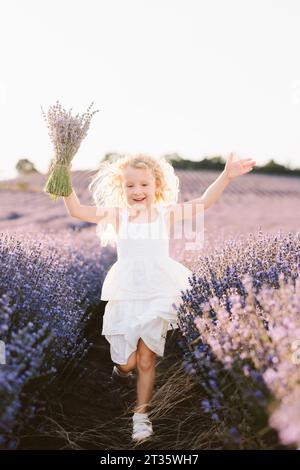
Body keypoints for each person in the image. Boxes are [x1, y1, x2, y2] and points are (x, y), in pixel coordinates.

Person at [63, 152, 256, 442]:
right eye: (130, 186)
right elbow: (76, 210)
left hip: (160, 288)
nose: (137, 191)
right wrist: (62, 170)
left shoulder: (165, 213)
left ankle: (141, 417)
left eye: (144, 184)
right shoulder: (118, 215)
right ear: (121, 187)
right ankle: (121, 371)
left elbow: (202, 203)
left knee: (145, 358)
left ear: (156, 185)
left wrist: (226, 176)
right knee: (127, 362)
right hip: (127, 289)